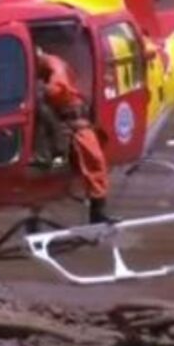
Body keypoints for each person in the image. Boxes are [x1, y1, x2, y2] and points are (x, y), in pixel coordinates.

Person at [35, 47, 112, 225]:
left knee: (95, 160)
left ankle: (97, 213)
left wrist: (39, 92)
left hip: (76, 121)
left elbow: (57, 89)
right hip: (70, 120)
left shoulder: (53, 65)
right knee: (94, 162)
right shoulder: (48, 67)